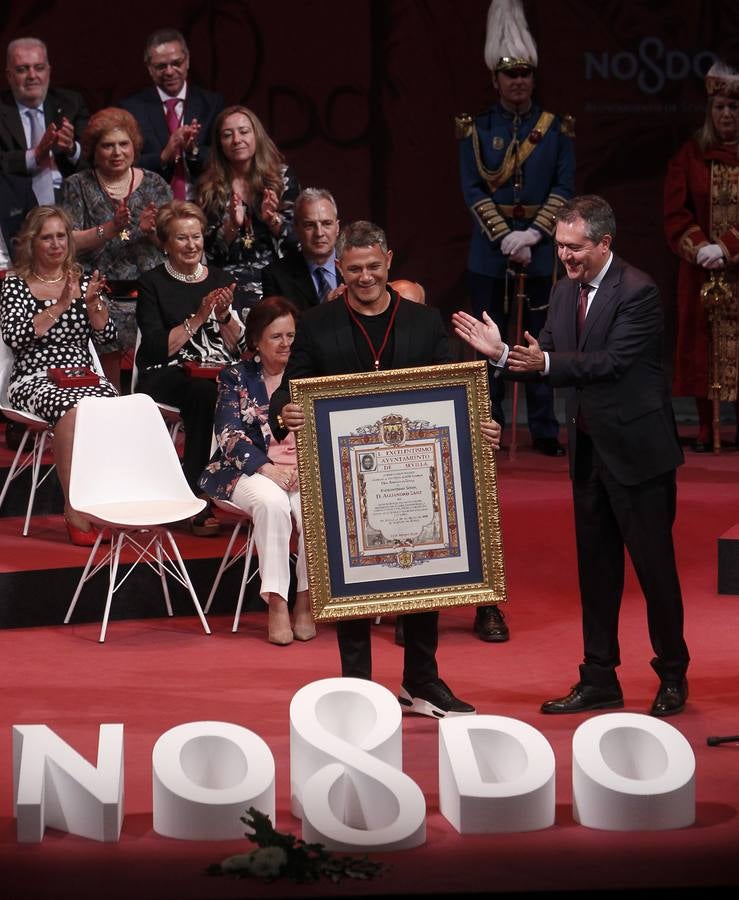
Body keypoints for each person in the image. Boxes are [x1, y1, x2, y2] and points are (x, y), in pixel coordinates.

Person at [453, 195, 690, 717]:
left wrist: (543, 362)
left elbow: (610, 363)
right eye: (560, 247)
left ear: (605, 243)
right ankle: (599, 677)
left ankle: (672, 673)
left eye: (575, 248)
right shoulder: (562, 292)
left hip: (639, 456)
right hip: (588, 455)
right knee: (596, 573)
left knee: (655, 573)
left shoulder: (640, 291)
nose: (565, 257)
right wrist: (499, 354)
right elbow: (549, 357)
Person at [269, 220, 502, 719]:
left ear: (389, 260)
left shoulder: (423, 320)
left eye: (373, 266)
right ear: (341, 270)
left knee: (421, 571)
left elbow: (453, 394)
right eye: (353, 270)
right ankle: (358, 688)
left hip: (417, 474)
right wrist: (285, 411)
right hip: (347, 479)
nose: (365, 277)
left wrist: (483, 425)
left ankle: (422, 681)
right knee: (353, 578)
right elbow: (288, 394)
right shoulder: (315, 324)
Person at [457, 0, 574, 458]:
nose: (519, 81)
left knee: (540, 338)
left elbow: (564, 187)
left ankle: (544, 427)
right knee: (490, 338)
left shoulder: (556, 128)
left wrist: (533, 235)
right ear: (496, 80)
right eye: (511, 74)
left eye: (525, 74)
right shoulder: (476, 128)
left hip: (542, 252)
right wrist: (504, 235)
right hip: (489, 253)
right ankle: (492, 423)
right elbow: (471, 188)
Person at [199, 295, 314, 645]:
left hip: (303, 470)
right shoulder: (235, 376)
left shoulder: (310, 375)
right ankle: (277, 602)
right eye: (276, 337)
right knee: (273, 504)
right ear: (256, 343)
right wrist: (267, 468)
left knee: (314, 509)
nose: (285, 344)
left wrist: (304, 467)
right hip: (245, 471)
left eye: (291, 336)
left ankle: (306, 601)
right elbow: (229, 435)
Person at [0, 206, 118, 544]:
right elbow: (16, 338)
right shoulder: (15, 286)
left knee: (118, 407)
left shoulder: (82, 282)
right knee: (72, 409)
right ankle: (74, 510)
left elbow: (108, 338)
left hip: (83, 375)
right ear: (32, 244)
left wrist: (94, 304)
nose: (56, 244)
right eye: (47, 237)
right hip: (33, 377)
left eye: (61, 236)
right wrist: (60, 306)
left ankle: (110, 504)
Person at [135, 200, 247, 536]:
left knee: (252, 385)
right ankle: (197, 491)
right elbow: (152, 349)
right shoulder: (152, 283)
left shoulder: (222, 279)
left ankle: (252, 488)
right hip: (169, 370)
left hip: (221, 367)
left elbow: (238, 346)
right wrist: (198, 318)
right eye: (182, 239)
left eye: (196, 237)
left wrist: (224, 315)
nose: (191, 245)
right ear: (166, 244)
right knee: (204, 391)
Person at [60, 107, 172, 391]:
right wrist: (109, 228)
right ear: (93, 150)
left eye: (124, 144)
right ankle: (108, 406)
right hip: (99, 290)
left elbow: (176, 241)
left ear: (134, 146)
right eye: (107, 145)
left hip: (149, 291)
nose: (117, 152)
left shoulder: (156, 184)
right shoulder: (77, 184)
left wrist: (153, 233)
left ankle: (150, 409)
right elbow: (68, 240)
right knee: (101, 334)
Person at [664, 59, 739, 452]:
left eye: (734, 108)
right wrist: (702, 249)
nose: (726, 114)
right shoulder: (691, 155)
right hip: (701, 271)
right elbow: (675, 213)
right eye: (719, 107)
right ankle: (708, 427)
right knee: (700, 346)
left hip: (737, 269)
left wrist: (727, 246)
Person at [197, 105, 300, 321]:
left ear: (256, 136)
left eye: (244, 131)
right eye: (228, 135)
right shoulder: (209, 187)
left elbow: (298, 241)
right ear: (220, 144)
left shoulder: (282, 178)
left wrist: (273, 220)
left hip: (277, 271)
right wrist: (232, 226)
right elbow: (209, 253)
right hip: (230, 277)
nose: (236, 140)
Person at [120, 28, 224, 202]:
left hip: (203, 204)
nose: (169, 71)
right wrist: (163, 156)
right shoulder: (131, 109)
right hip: (152, 206)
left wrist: (193, 152)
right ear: (149, 68)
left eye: (176, 63)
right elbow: (124, 164)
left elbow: (225, 157)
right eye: (161, 66)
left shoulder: (212, 104)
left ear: (188, 61)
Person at [1, 37, 88, 205]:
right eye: (22, 69)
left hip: (68, 196)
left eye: (39, 68)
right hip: (13, 200)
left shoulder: (71, 103)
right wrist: (35, 155)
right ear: (9, 75)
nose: (32, 76)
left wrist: (72, 148)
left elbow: (93, 156)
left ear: (48, 71)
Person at [261, 187, 343, 308]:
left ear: (337, 228)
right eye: (309, 225)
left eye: (327, 224)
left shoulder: (357, 267)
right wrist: (325, 311)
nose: (319, 233)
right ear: (296, 228)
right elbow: (279, 326)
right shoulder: (276, 276)